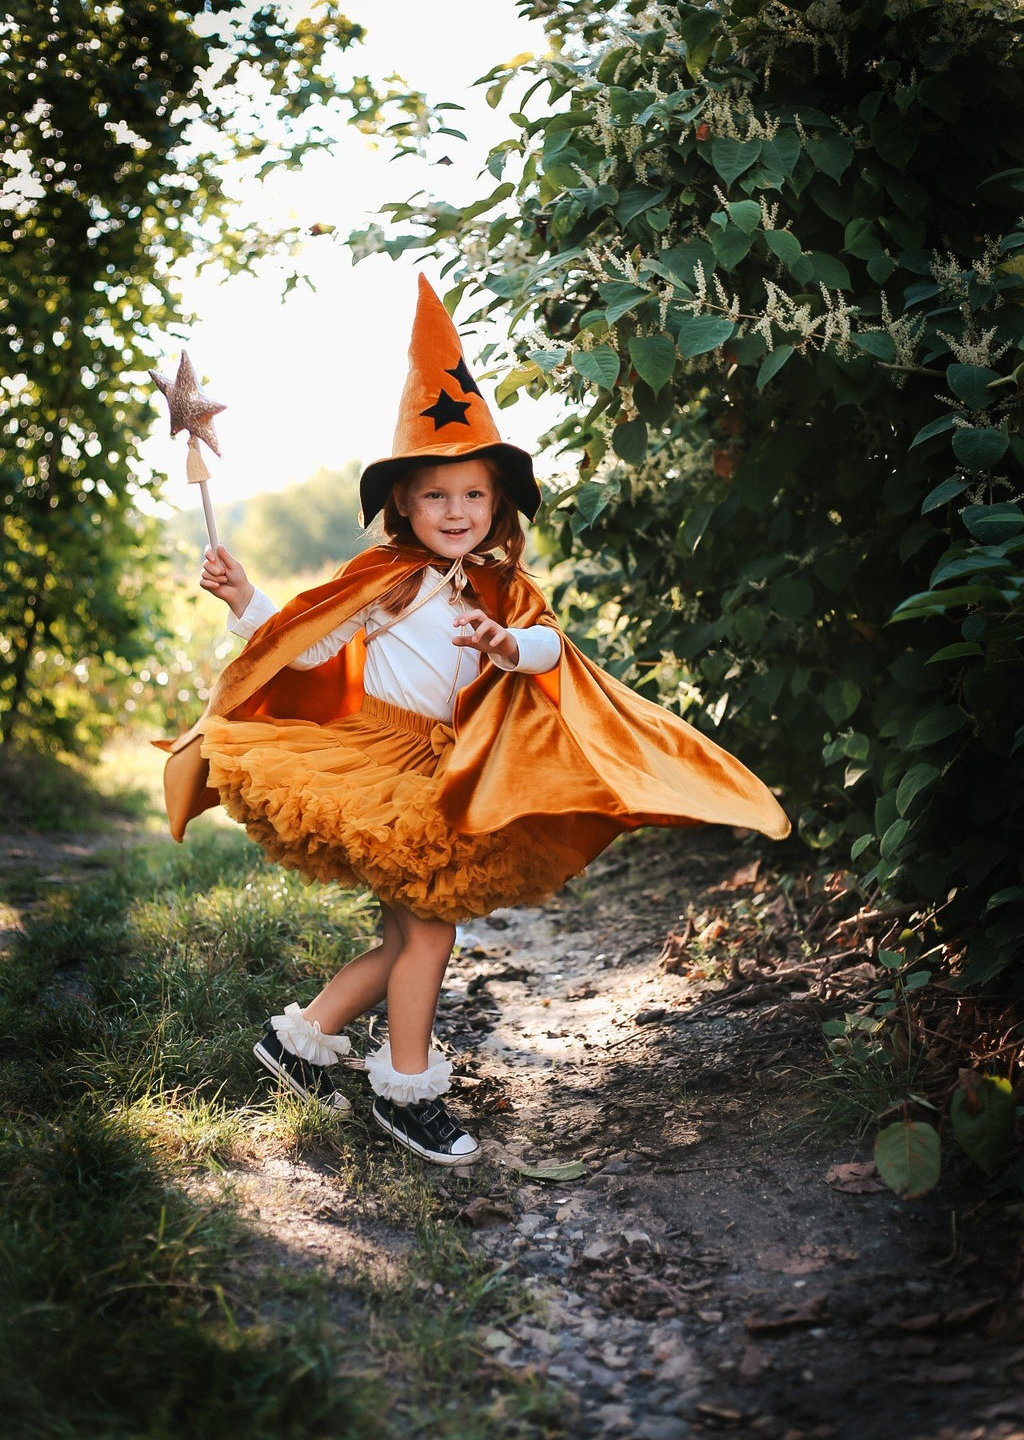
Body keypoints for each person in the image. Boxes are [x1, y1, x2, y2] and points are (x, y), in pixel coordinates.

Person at [161, 275, 790, 1167]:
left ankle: (300, 1040)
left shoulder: (505, 592)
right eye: (437, 497)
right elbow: (303, 646)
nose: (457, 513)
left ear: (497, 506)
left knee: (404, 934)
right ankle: (404, 1087)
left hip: (452, 768)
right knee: (431, 930)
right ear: (404, 506)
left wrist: (504, 644)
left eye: (474, 498)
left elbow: (549, 653)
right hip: (375, 765)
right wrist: (246, 598)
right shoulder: (385, 581)